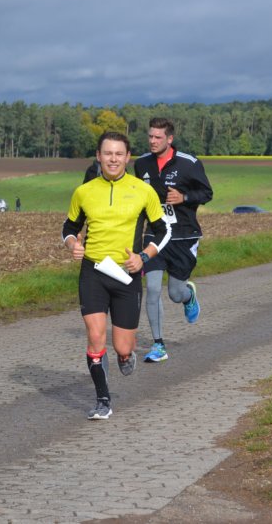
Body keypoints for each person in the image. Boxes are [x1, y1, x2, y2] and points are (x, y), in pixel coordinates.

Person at [62, 131, 171, 420]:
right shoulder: (84, 192)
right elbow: (69, 228)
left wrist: (143, 257)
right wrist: (73, 245)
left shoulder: (143, 191)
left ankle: (125, 355)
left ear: (127, 157)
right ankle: (102, 400)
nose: (113, 159)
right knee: (95, 336)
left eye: (118, 154)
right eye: (108, 153)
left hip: (127, 274)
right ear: (99, 156)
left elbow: (164, 231)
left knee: (123, 345)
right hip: (93, 272)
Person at [134, 117, 213, 363]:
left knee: (175, 293)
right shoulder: (141, 164)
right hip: (155, 235)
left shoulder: (189, 163)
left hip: (183, 235)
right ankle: (158, 345)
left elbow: (207, 193)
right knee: (152, 289)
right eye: (150, 136)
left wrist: (184, 197)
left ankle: (188, 295)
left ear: (170, 139)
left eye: (158, 137)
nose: (152, 141)